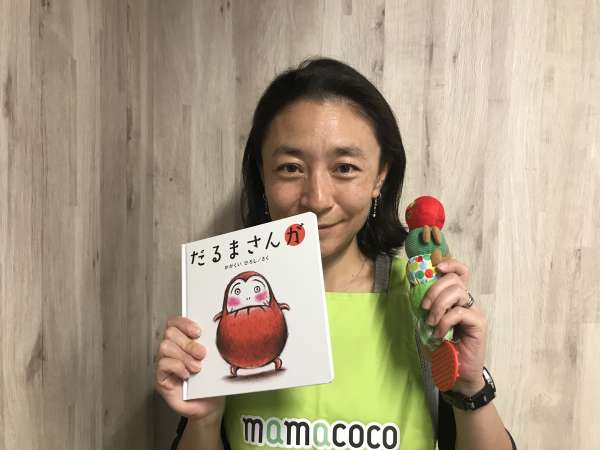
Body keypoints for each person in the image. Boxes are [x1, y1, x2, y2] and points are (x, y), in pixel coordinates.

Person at [155, 57, 517, 450]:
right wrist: (205, 419)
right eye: (290, 168)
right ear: (262, 174)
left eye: (344, 168)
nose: (317, 199)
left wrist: (469, 385)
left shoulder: (422, 304)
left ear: (380, 176)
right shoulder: (223, 293)